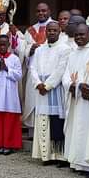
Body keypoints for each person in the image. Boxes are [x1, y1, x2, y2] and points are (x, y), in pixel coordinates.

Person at [63, 23, 89, 174]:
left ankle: (86, 164)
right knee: (76, 129)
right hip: (76, 97)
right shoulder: (73, 53)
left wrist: (81, 86)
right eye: (77, 35)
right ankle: (76, 161)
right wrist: (71, 85)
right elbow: (66, 74)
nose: (79, 37)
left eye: (82, 34)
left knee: (86, 130)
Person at [29, 21, 71, 165]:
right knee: (43, 121)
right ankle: (46, 155)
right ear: (45, 32)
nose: (51, 33)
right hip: (40, 89)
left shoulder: (65, 49)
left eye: (54, 30)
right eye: (49, 30)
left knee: (56, 122)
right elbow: (32, 67)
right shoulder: (40, 49)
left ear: (59, 31)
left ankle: (59, 155)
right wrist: (38, 84)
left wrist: (47, 86)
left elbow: (61, 69)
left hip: (54, 89)